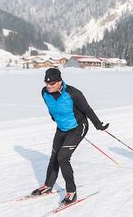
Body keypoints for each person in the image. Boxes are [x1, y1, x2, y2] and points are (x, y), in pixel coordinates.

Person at [31, 67, 109, 204]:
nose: (48, 86)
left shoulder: (73, 93)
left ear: (60, 81)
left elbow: (87, 110)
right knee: (54, 156)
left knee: (63, 157)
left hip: (78, 127)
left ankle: (71, 191)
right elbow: (51, 108)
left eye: (52, 83)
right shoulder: (44, 93)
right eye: (46, 83)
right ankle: (48, 186)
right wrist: (54, 118)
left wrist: (98, 125)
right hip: (62, 128)